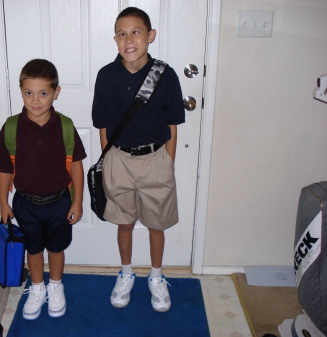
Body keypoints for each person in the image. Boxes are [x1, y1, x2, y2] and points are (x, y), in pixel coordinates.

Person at [91, 7, 185, 312]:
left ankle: (156, 277)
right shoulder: (106, 76)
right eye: (121, 33)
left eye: (136, 32)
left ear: (150, 36)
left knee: (156, 225)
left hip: (155, 157)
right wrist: (107, 162)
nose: (129, 39)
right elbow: (103, 125)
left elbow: (171, 123)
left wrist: (168, 163)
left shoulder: (165, 75)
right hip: (119, 159)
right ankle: (127, 271)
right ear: (115, 40)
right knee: (126, 223)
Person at [0, 59, 86, 320]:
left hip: (59, 202)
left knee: (56, 248)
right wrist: (3, 202)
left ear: (56, 93)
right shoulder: (11, 128)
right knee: (33, 249)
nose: (35, 100)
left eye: (43, 93)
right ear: (21, 91)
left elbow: (77, 167)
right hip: (25, 204)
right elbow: (4, 169)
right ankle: (37, 288)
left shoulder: (65, 127)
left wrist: (77, 201)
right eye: (28, 93)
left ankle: (55, 287)